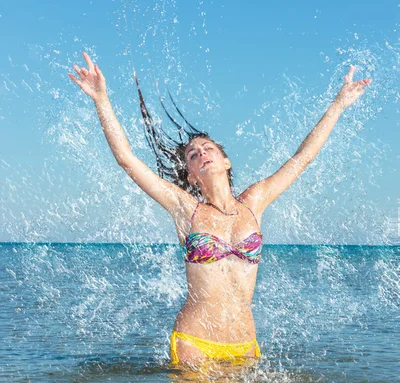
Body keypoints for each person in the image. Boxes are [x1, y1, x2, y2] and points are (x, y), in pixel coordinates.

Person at [68, 53, 372, 365]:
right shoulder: (186, 209)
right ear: (190, 173)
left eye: (208, 148)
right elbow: (127, 159)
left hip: (244, 345)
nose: (201, 153)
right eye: (193, 155)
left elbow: (301, 159)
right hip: (194, 343)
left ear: (225, 161)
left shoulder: (254, 202)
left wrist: (337, 106)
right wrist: (101, 99)